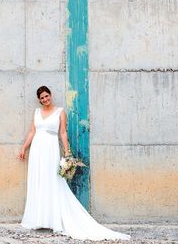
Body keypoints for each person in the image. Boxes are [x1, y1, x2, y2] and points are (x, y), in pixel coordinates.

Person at [18, 86, 130, 241]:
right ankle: (38, 219)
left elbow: (63, 132)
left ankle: (53, 220)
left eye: (46, 96)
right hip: (37, 150)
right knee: (38, 181)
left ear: (50, 95)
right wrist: (24, 147)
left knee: (52, 182)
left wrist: (67, 151)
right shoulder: (37, 113)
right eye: (42, 98)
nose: (45, 99)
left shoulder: (60, 112)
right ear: (39, 100)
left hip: (50, 150)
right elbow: (32, 132)